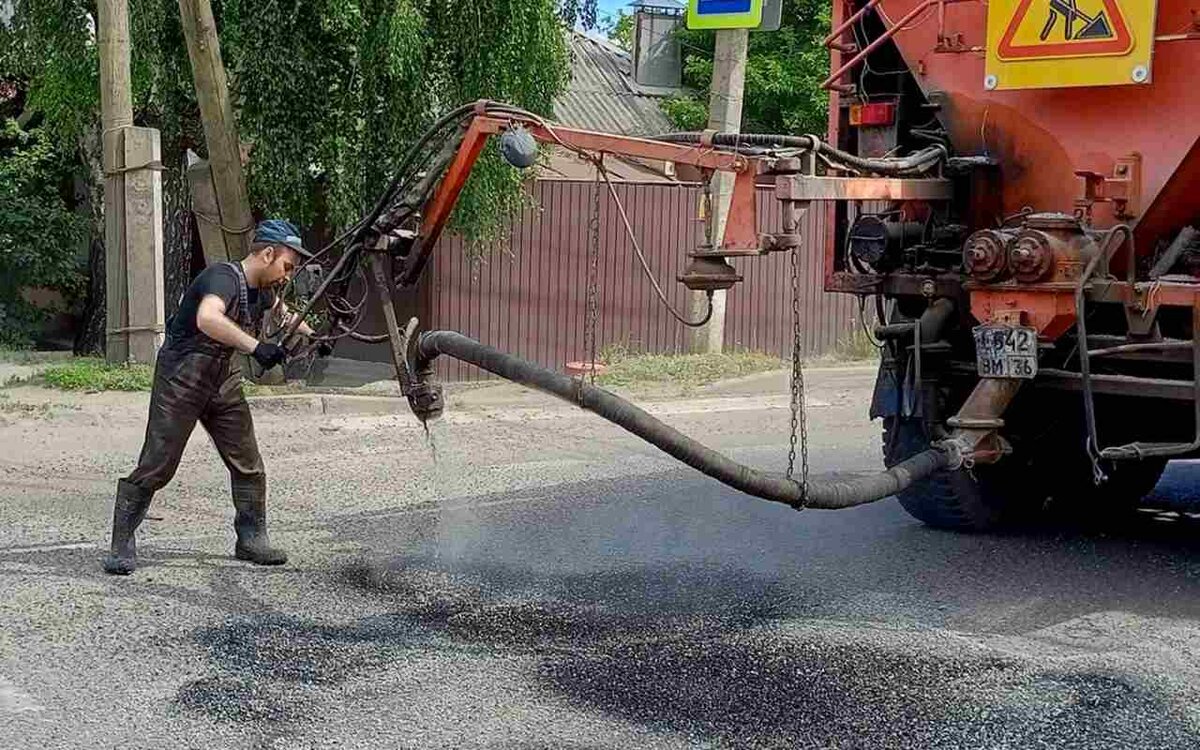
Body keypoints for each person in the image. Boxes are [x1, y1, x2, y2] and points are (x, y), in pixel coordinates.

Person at [103, 220, 316, 575]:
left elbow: (285, 315)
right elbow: (207, 318)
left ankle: (251, 539)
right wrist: (256, 347)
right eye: (287, 265)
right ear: (267, 253)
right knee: (158, 463)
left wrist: (315, 336)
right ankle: (122, 543)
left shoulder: (262, 289)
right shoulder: (223, 277)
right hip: (182, 376)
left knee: (248, 460)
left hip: (222, 376)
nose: (288, 275)